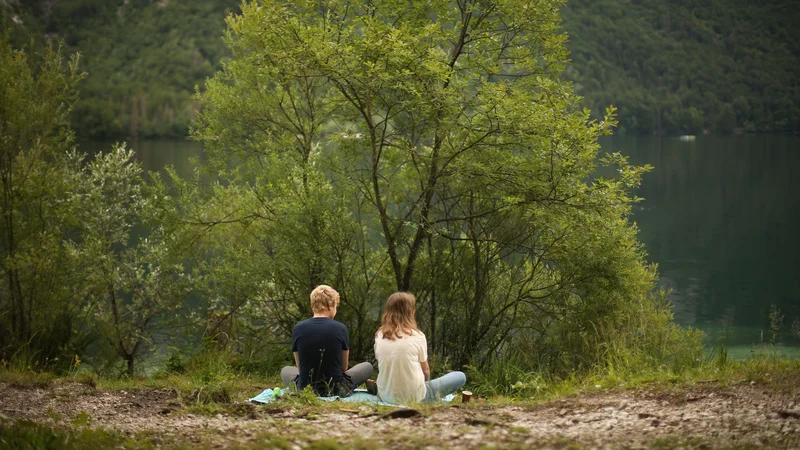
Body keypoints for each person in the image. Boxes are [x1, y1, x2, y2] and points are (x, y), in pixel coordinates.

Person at [280, 285, 373, 397]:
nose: (336, 311)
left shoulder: (298, 328)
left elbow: (300, 367)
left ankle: (298, 387)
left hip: (305, 389)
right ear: (330, 306)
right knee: (367, 366)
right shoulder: (340, 328)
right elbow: (344, 367)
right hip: (337, 390)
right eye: (336, 307)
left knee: (286, 370)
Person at [373, 292, 466, 404]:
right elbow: (425, 370)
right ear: (411, 312)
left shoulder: (379, 335)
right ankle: (428, 397)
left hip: (385, 396)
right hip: (414, 398)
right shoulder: (418, 336)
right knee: (460, 376)